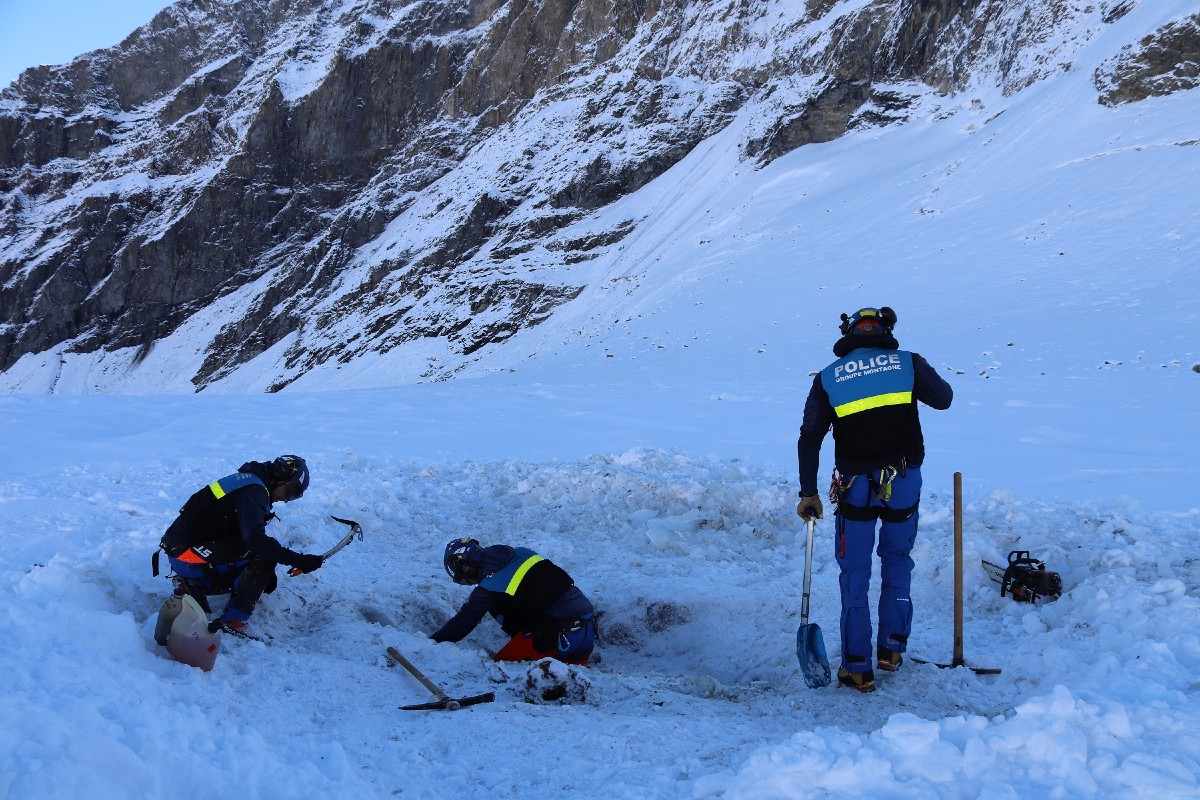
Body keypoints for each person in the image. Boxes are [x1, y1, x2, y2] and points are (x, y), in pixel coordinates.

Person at [796, 307, 953, 692]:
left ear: (848, 334)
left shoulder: (829, 378)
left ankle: (858, 668)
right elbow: (944, 398)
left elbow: (809, 438)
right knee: (897, 560)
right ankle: (891, 650)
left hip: (856, 487)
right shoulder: (906, 363)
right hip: (902, 480)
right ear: (886, 329)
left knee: (855, 572)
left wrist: (808, 493)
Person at [156, 455, 325, 636]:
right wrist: (298, 560)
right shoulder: (254, 491)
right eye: (291, 492)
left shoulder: (249, 482)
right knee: (263, 555)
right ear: (281, 477)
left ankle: (195, 583)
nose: (286, 499)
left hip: (180, 551)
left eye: (294, 497)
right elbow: (256, 542)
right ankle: (233, 619)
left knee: (261, 569)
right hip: (187, 555)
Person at [431, 538, 597, 665]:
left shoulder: (487, 589)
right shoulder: (523, 553)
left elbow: (462, 623)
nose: (470, 583)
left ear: (465, 567)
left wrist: (431, 643)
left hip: (560, 637)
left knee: (501, 670)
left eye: (463, 579)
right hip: (588, 631)